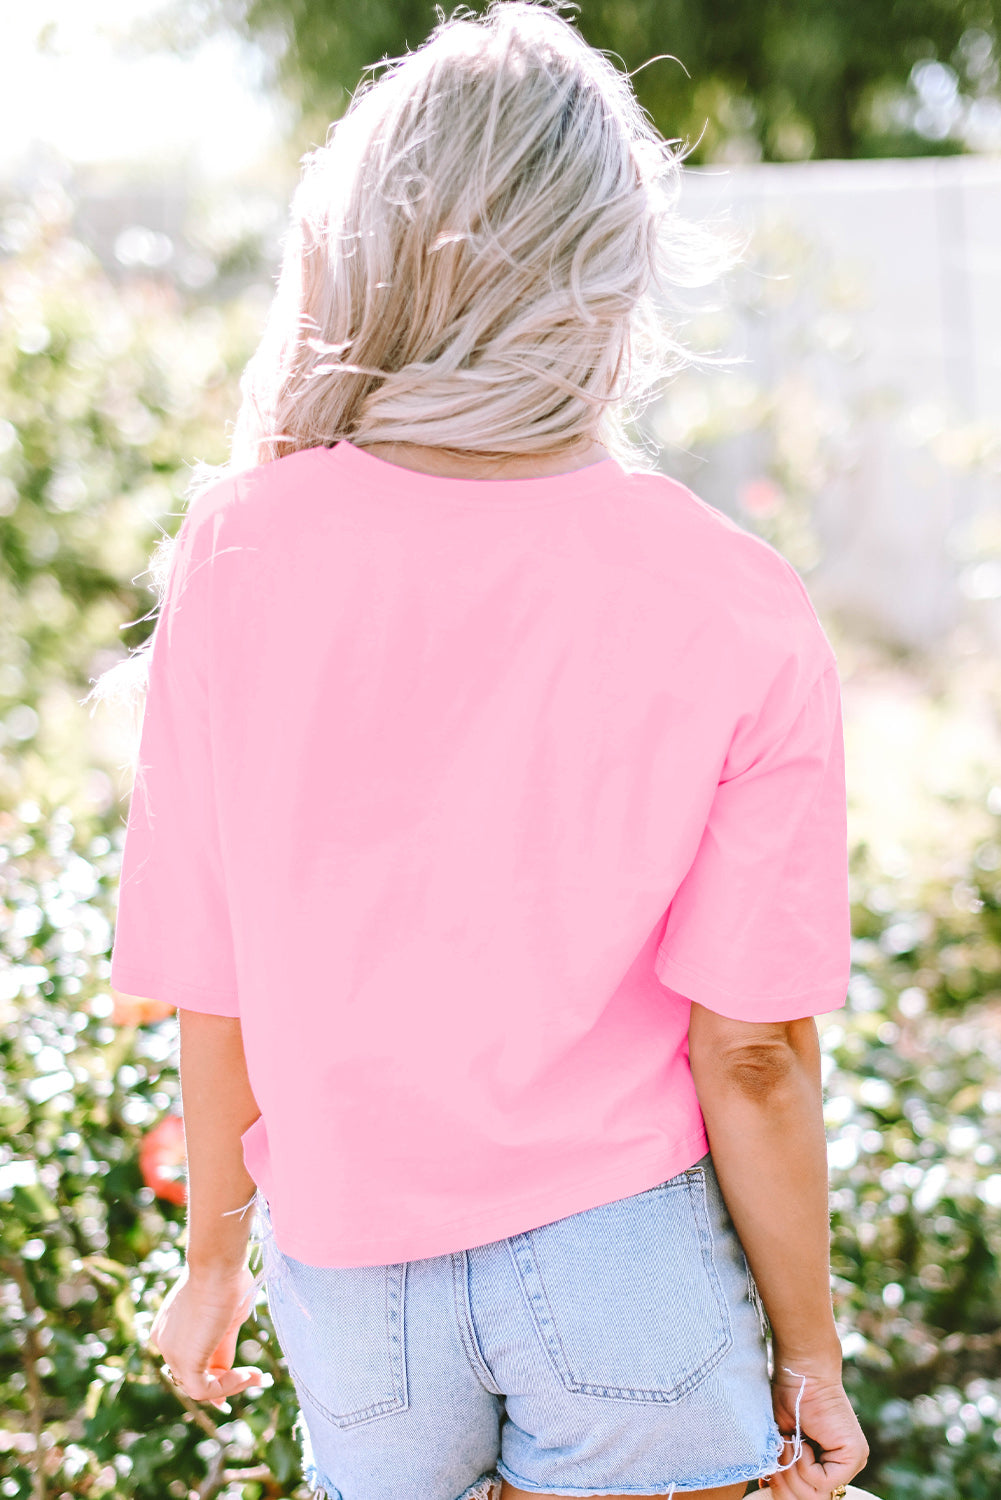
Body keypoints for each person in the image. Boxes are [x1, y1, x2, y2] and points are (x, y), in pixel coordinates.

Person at [104, 3, 870, 1497]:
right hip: (623, 1267)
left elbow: (210, 963)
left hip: (353, 1294)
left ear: (370, 248)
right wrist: (810, 1355)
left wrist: (212, 1260)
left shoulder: (241, 544)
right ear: (607, 265)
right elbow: (755, 1050)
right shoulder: (728, 592)